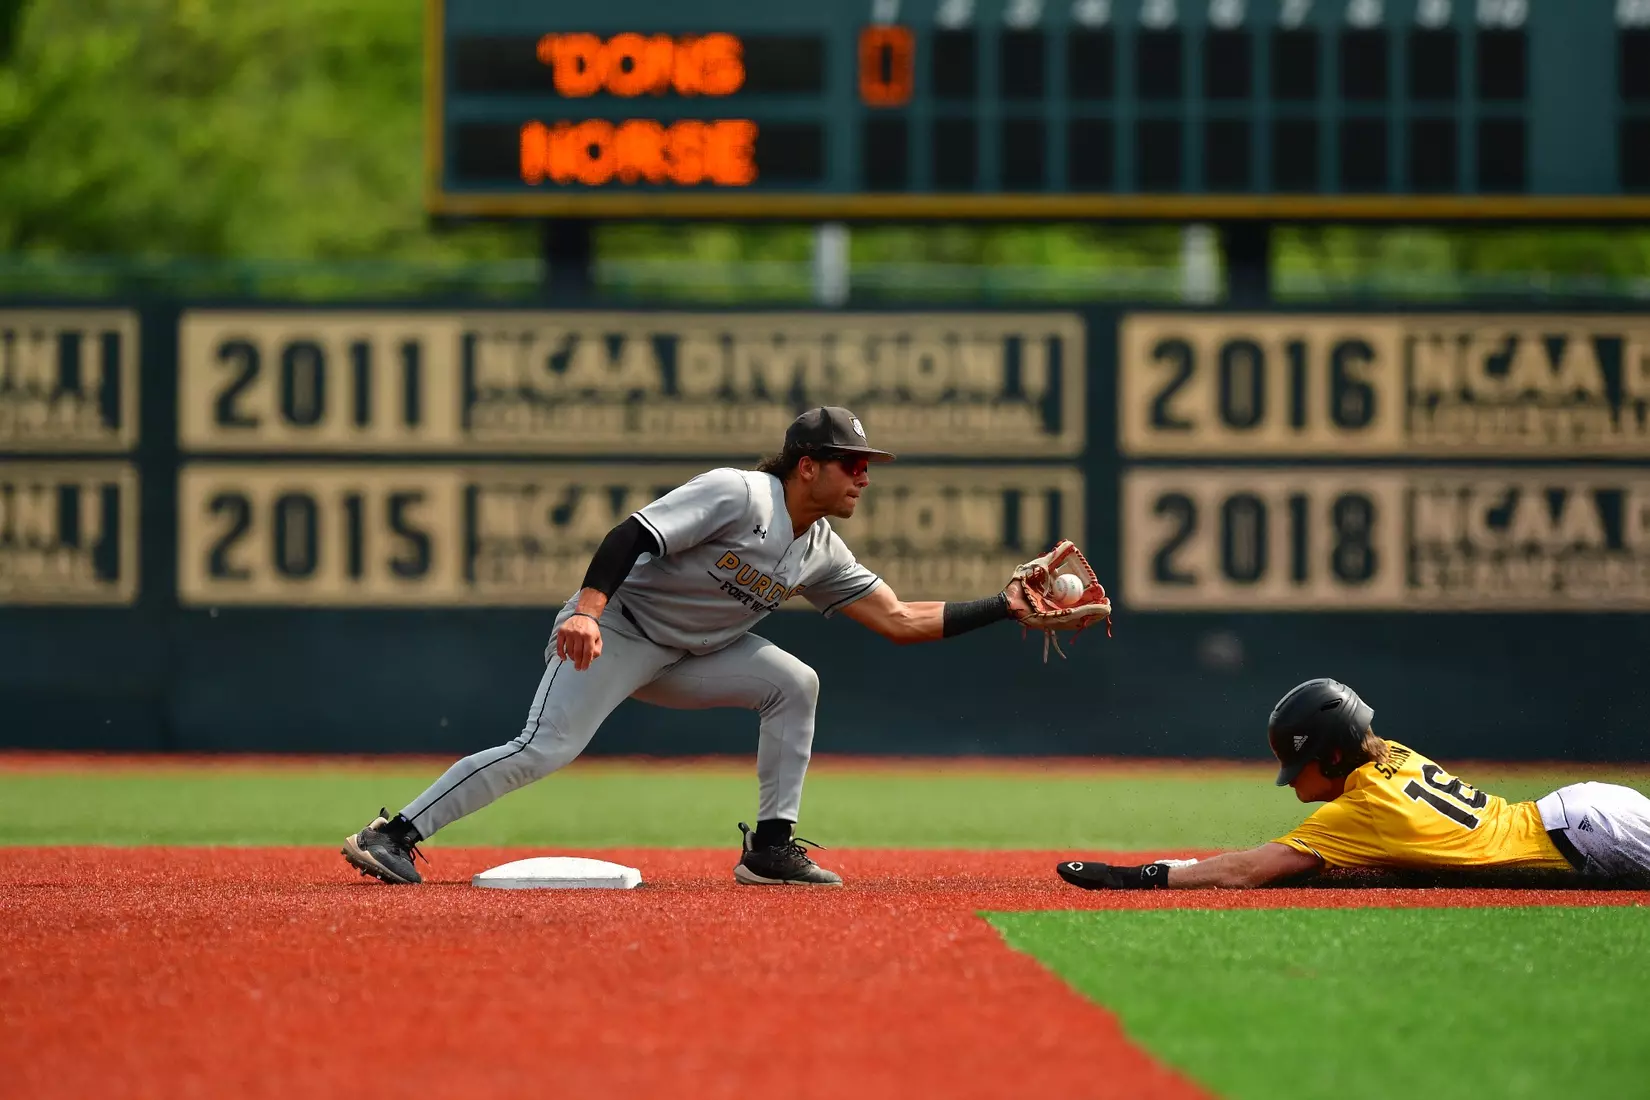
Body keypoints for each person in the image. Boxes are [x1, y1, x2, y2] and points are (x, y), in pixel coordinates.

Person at [343, 407, 1064, 887]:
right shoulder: (740, 493)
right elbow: (630, 534)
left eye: (867, 464)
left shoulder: (818, 548)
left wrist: (1001, 609)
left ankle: (770, 849)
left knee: (795, 683)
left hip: (691, 654)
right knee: (544, 748)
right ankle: (393, 834)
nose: (864, 476)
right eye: (851, 463)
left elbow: (902, 618)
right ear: (806, 464)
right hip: (618, 632)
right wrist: (588, 611)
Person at [1056, 678, 1650, 891]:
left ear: (1335, 757)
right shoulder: (1388, 755)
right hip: (1583, 816)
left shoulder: (1359, 810)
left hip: (1588, 835)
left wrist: (1137, 875)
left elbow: (1245, 872)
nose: (1290, 784)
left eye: (1300, 766)